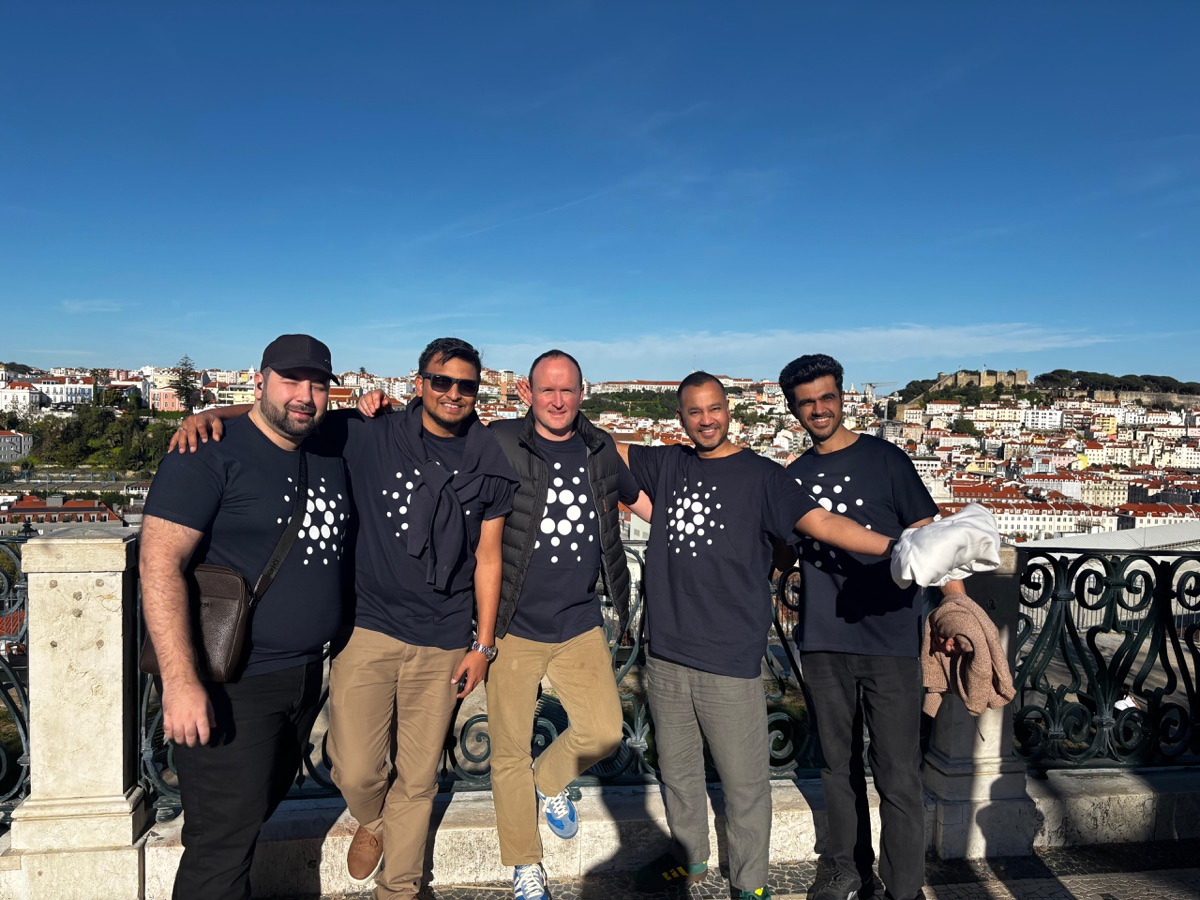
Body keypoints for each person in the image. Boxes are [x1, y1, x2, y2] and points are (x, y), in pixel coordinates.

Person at [171, 337, 518, 900]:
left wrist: (482, 645)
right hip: (369, 628)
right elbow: (288, 417)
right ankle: (373, 821)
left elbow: (488, 557)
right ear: (419, 382)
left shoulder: (489, 463)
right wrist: (212, 412)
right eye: (441, 381)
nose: (454, 394)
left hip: (444, 638)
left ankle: (399, 888)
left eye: (466, 386)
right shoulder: (369, 432)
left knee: (420, 776)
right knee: (354, 768)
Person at [359, 349, 653, 900]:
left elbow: (641, 504)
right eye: (548, 390)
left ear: (582, 393)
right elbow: (438, 426)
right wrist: (385, 407)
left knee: (604, 731)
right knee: (509, 754)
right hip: (513, 625)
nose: (558, 400)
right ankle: (524, 864)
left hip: (580, 623)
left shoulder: (602, 448)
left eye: (568, 390)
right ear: (527, 392)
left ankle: (550, 782)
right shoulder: (498, 440)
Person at [618, 372, 902, 900]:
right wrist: (542, 412)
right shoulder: (669, 463)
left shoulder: (764, 477)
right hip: (666, 652)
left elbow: (821, 523)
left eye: (714, 409)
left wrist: (894, 547)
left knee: (744, 784)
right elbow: (603, 445)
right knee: (678, 774)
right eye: (695, 412)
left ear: (731, 410)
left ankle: (750, 884)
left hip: (729, 653)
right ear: (681, 418)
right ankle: (692, 860)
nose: (706, 420)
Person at [141, 333, 348, 900]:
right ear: (259, 380)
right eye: (289, 380)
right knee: (220, 847)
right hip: (231, 684)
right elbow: (159, 563)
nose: (304, 395)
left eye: (317, 383)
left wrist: (217, 407)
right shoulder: (208, 452)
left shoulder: (328, 442)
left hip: (304, 679)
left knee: (248, 821)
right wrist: (181, 683)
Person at [778, 353, 964, 900]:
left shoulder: (887, 460)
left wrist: (953, 608)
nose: (818, 409)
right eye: (806, 402)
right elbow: (782, 550)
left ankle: (903, 886)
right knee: (837, 766)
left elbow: (931, 540)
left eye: (826, 397)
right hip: (823, 640)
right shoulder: (793, 477)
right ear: (793, 409)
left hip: (890, 637)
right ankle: (846, 869)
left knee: (898, 772)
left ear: (843, 396)